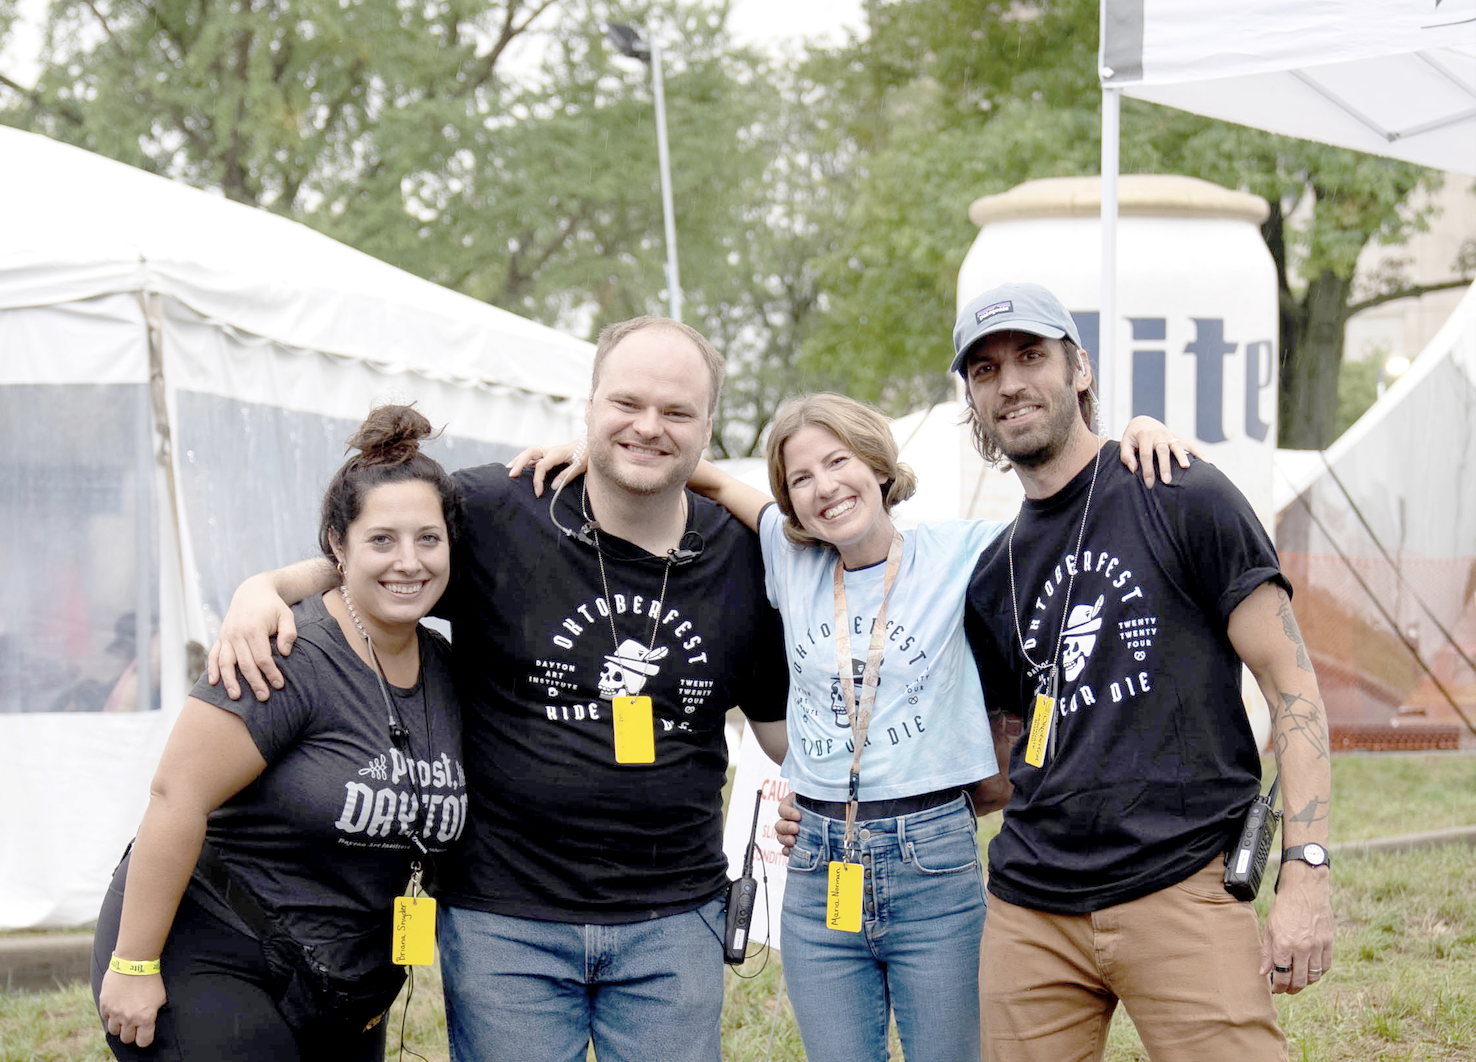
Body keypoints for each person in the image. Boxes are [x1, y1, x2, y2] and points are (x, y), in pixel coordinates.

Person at [524, 392, 1194, 1062]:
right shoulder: (786, 554)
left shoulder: (961, 550)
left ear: (876, 464)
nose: (824, 487)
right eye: (801, 478)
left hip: (931, 860)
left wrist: (1131, 438)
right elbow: (714, 480)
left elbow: (1078, 521)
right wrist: (599, 456)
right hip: (818, 861)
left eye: (838, 461)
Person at [206, 317, 789, 1062]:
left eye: (677, 412)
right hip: (504, 923)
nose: (648, 426)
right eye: (627, 403)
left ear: (708, 426)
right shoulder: (498, 508)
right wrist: (267, 586)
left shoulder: (745, 557)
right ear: (588, 408)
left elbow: (783, 732)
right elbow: (383, 557)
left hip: (675, 921)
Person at [953, 282, 1334, 1061]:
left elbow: (1291, 685)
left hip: (1182, 884)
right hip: (1030, 911)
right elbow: (1002, 763)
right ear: (973, 400)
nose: (1010, 383)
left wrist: (1306, 870)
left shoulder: (1182, 493)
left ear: (1080, 368)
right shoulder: (993, 574)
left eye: (1030, 356)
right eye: (985, 370)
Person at [92, 404, 466, 1061]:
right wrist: (134, 964)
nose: (408, 561)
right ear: (338, 546)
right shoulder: (283, 651)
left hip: (344, 985)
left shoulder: (447, 670)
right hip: (215, 946)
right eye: (382, 540)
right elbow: (176, 795)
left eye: (427, 539)